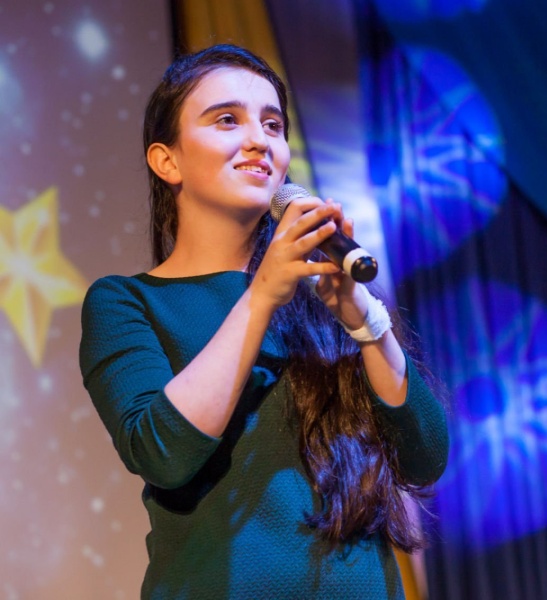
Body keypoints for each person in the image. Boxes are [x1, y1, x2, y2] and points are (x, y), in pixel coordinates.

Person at [79, 44, 448, 600]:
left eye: (272, 125)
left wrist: (365, 319)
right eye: (227, 120)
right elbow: (162, 453)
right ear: (167, 161)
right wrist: (260, 298)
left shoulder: (322, 294)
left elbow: (424, 458)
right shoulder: (126, 303)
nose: (259, 140)